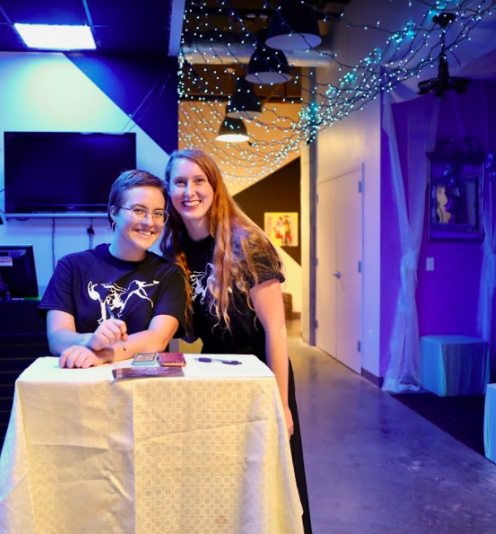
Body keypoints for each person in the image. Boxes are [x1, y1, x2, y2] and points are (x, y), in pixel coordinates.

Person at [161, 149, 313, 534]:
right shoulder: (171, 252)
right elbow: (186, 333)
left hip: (261, 373)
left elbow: (276, 330)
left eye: (199, 181)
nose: (189, 191)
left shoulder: (248, 243)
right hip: (214, 373)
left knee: (275, 474)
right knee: (228, 478)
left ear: (215, 187)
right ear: (169, 191)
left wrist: (280, 403)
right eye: (179, 182)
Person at [39, 170, 187, 369]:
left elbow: (157, 339)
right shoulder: (71, 267)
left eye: (158, 213)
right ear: (114, 213)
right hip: (82, 383)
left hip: (145, 386)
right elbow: (57, 338)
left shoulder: (169, 275)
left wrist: (103, 354)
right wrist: (91, 341)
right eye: (138, 210)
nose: (149, 222)